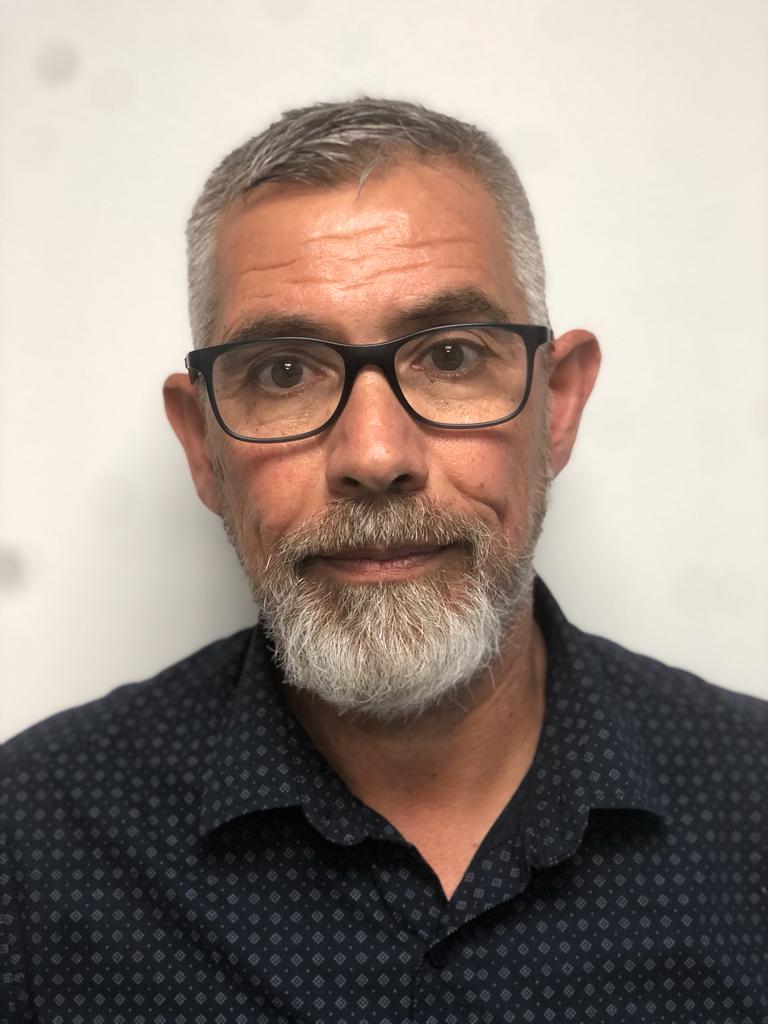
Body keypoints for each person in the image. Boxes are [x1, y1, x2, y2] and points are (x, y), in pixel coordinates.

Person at [1, 98, 766, 1024]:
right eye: (284, 371)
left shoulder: (751, 802)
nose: (374, 455)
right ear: (203, 446)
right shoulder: (30, 848)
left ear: (557, 408)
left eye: (451, 357)